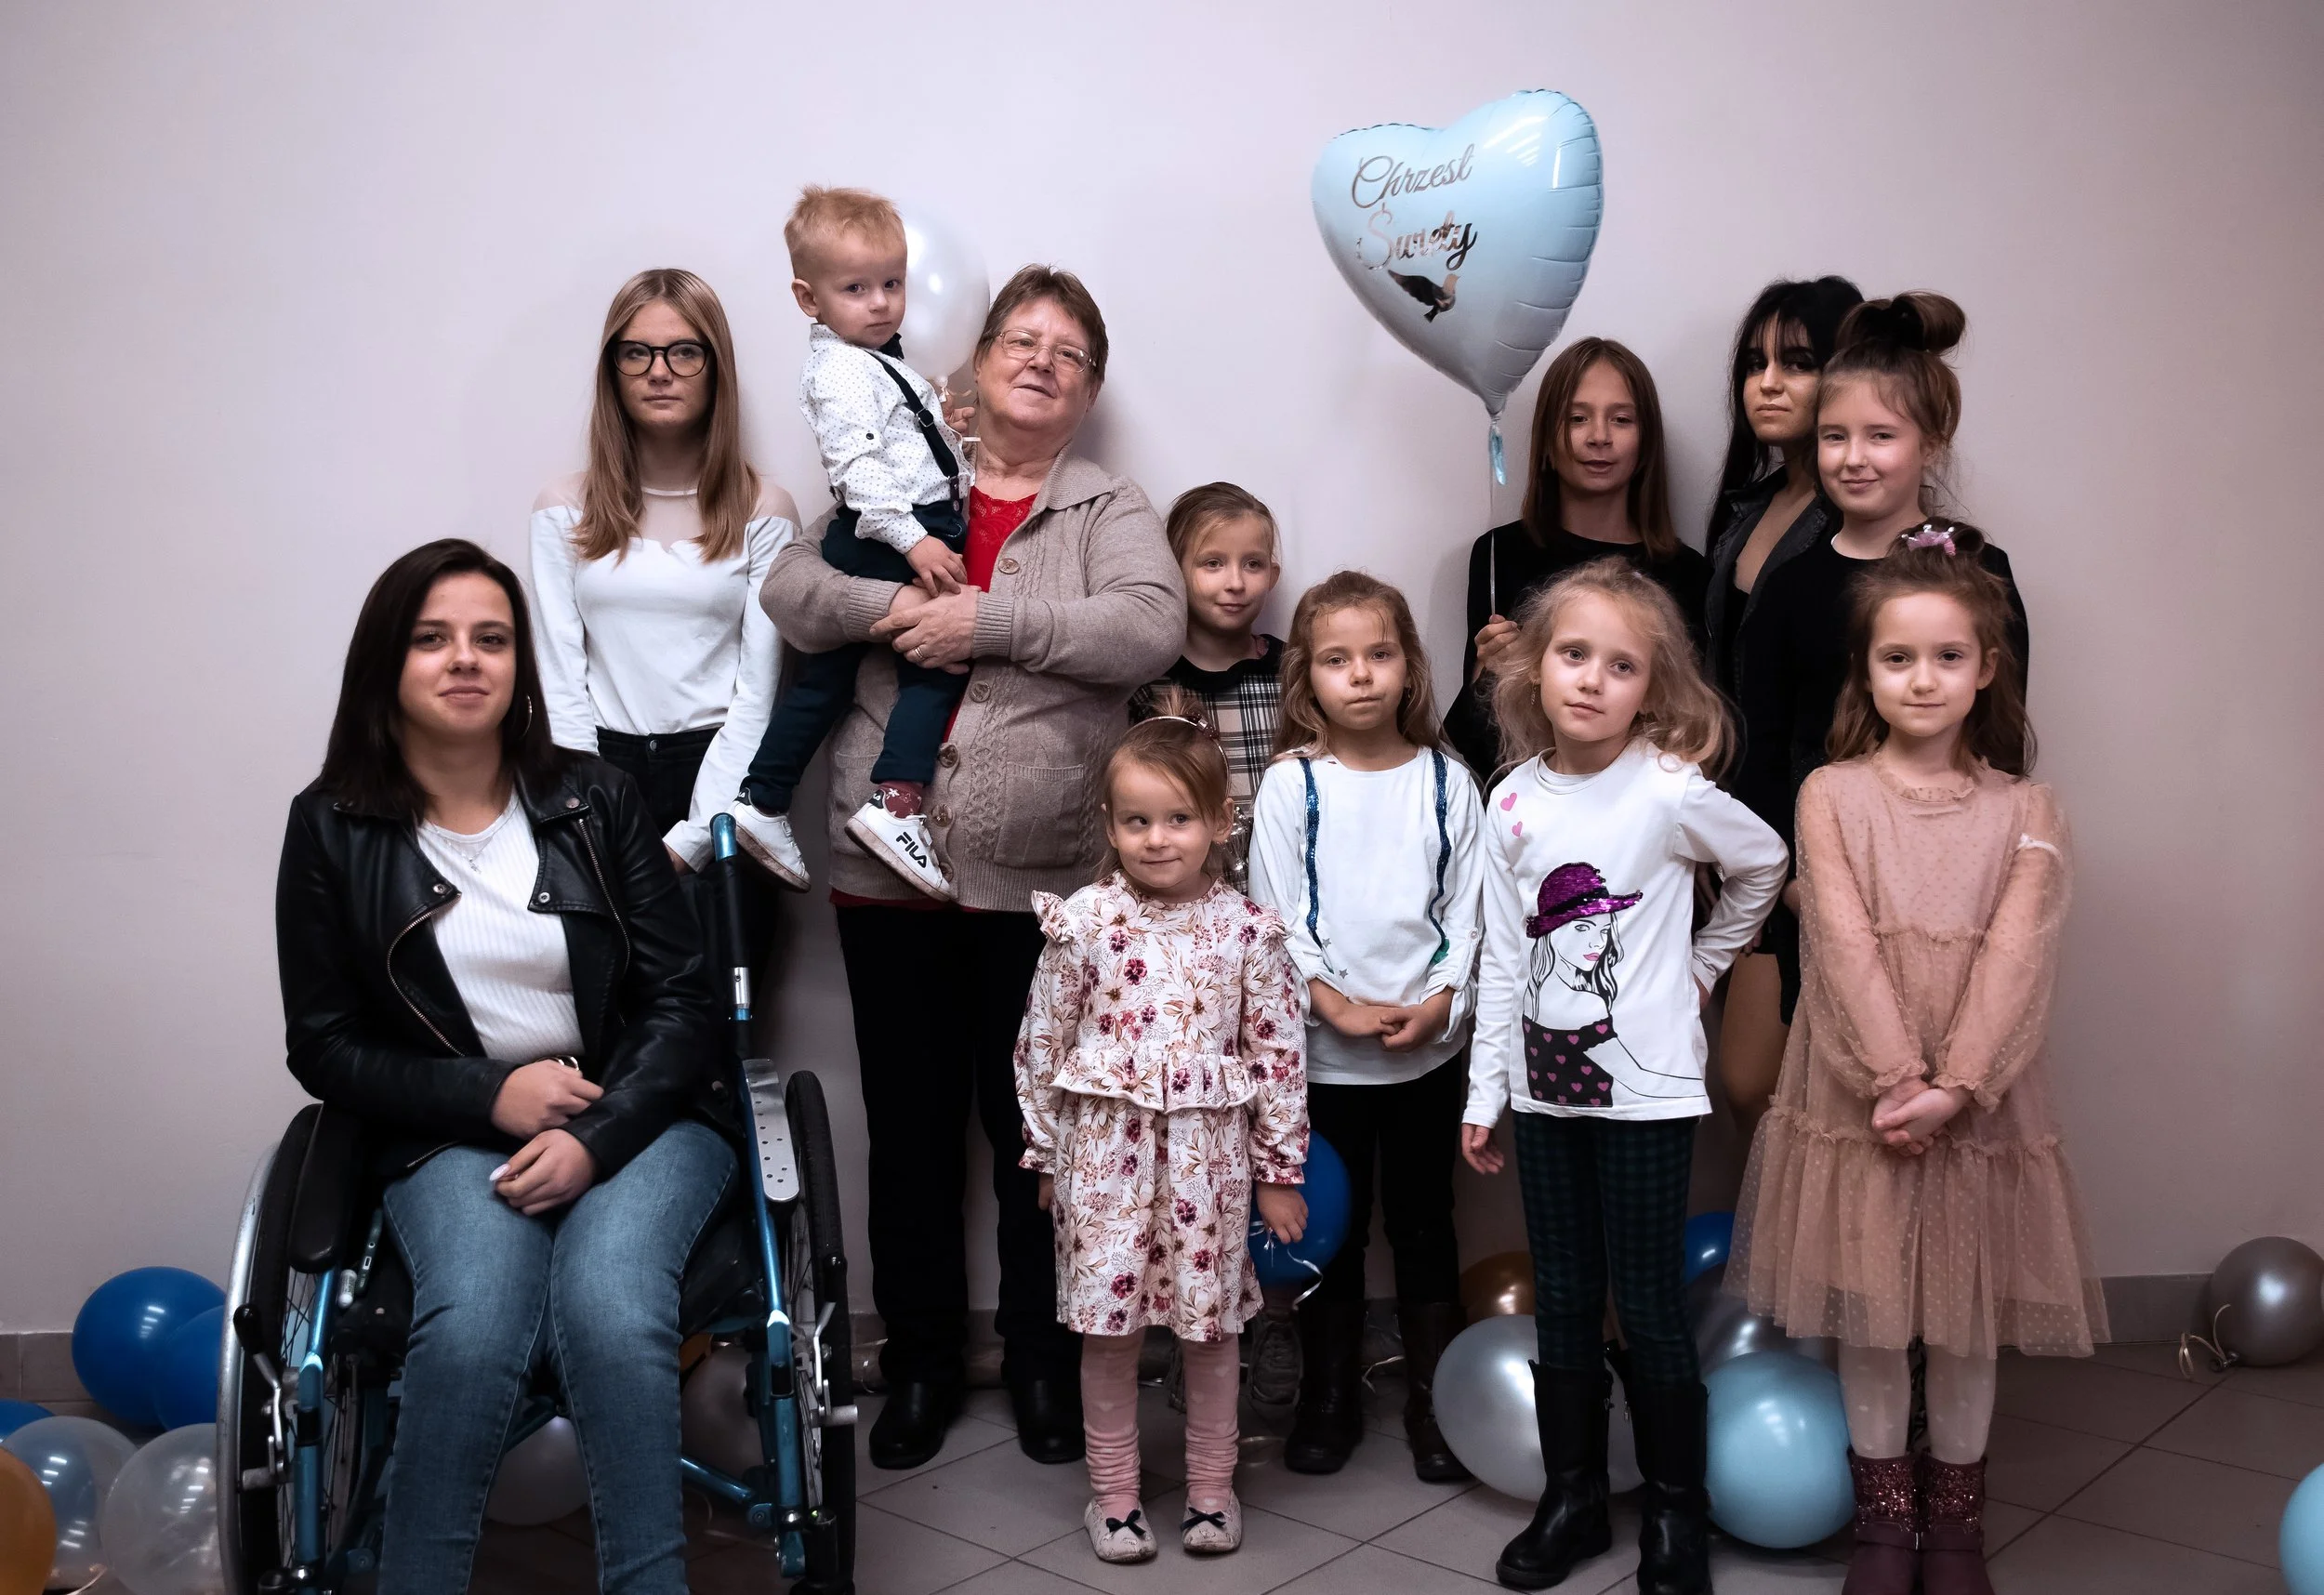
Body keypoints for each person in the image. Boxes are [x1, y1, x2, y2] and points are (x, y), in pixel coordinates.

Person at [759, 265, 1183, 1470]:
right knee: (909, 1132)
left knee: (1038, 1134)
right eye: (1021, 341)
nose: (1042, 362)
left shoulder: (1105, 505)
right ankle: (923, 1366)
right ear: (979, 362)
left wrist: (986, 621)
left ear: (1087, 392)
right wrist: (896, 612)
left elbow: (1146, 626)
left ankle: (1044, 1366)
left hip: (1042, 885)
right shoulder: (897, 473)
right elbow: (789, 589)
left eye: (1069, 353)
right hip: (884, 873)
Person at [276, 540, 734, 1594]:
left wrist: (594, 1137)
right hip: (449, 1132)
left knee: (612, 1310)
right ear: (386, 662)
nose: (465, 660)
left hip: (641, 1117)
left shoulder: (596, 799)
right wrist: (492, 1093)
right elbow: (325, 1044)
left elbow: (682, 1002)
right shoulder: (329, 826)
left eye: (491, 638)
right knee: (473, 1330)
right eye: (431, 639)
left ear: (520, 665)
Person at [1728, 533, 2106, 1595]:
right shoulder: (1830, 795)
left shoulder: (2027, 810)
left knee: (1964, 1325)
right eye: (1897, 658)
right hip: (1862, 1096)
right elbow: (1839, 944)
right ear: (1865, 671)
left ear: (1986, 668)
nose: (1923, 679)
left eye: (1947, 657)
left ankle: (1956, 1533)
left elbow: (2018, 959)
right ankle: (1884, 1530)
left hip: (1978, 1105)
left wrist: (1955, 1088)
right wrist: (1899, 1081)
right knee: (1873, 1318)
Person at [1460, 560, 1785, 1594]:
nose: (1592, 679)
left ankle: (1676, 1512)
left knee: (1645, 1301)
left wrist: (1703, 963)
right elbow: (1502, 959)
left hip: (1647, 1098)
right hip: (1544, 1094)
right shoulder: (1512, 799)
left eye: (1621, 665)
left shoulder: (1667, 791)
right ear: (1536, 667)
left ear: (1652, 688)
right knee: (1564, 1296)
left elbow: (1764, 863)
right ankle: (1575, 1498)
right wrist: (1484, 1092)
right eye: (1573, 654)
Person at [1014, 693, 1309, 1561]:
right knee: (1110, 1335)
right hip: (1103, 1163)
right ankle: (1113, 1498)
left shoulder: (1247, 931)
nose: (1156, 839)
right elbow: (1041, 1041)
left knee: (1210, 1333)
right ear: (1111, 824)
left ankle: (1212, 1491)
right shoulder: (1084, 923)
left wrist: (1279, 1171)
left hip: (1205, 1168)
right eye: (1136, 820)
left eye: (1178, 818)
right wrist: (1046, 1152)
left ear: (1219, 822)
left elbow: (1278, 1056)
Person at [1735, 294, 2029, 1028]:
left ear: (1931, 443)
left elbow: (2000, 735)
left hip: (1952, 882)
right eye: (1834, 436)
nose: (1854, 458)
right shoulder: (1788, 587)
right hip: (1824, 883)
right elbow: (1762, 752)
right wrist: (1794, 887)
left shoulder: (1979, 572)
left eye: (1881, 436)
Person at [1248, 572, 1483, 1483]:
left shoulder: (1447, 781)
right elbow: (1275, 917)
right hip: (1322, 1057)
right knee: (1330, 1233)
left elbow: (1469, 916)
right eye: (1337, 659)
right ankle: (1329, 1397)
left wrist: (1439, 1003)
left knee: (1424, 1223)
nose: (1361, 675)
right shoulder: (1292, 785)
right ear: (1307, 676)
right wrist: (1334, 1005)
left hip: (1425, 1052)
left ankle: (1436, 1403)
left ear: (1408, 667)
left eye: (1379, 654)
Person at [726, 187, 973, 899]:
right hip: (896, 531)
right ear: (809, 299)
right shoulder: (840, 370)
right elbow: (859, 470)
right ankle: (897, 804)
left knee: (828, 679)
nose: (881, 303)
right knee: (937, 660)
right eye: (856, 289)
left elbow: (894, 441)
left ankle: (762, 799)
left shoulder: (871, 359)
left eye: (892, 283)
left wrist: (943, 432)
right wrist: (916, 542)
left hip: (891, 525)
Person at [530, 268, 798, 878]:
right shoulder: (562, 508)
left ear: (716, 367)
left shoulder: (766, 510)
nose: (659, 371)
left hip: (723, 774)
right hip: (598, 772)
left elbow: (760, 694)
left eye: (684, 352)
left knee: (723, 945)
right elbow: (559, 678)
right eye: (636, 353)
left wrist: (696, 839)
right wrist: (589, 811)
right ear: (613, 370)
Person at [1699, 276, 1862, 1128]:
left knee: (1784, 1085)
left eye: (1797, 362)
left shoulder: (1864, 524)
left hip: (1824, 830)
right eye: (1754, 363)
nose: (1767, 383)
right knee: (1756, 1089)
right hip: (1739, 820)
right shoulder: (1746, 508)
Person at [1444, 338, 1711, 783]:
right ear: (1548, 437)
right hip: (1527, 808)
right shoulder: (1497, 554)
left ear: (1646, 441)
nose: (1599, 436)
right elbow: (1471, 744)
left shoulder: (1689, 573)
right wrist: (1486, 675)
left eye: (1621, 419)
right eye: (1577, 418)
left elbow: (1690, 730)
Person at [1129, 481, 1285, 894]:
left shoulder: (1294, 674)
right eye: (1212, 563)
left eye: (1252, 564)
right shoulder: (1149, 684)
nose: (1235, 582)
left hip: (1284, 897)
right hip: (1185, 903)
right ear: (1173, 571)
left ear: (1273, 575)